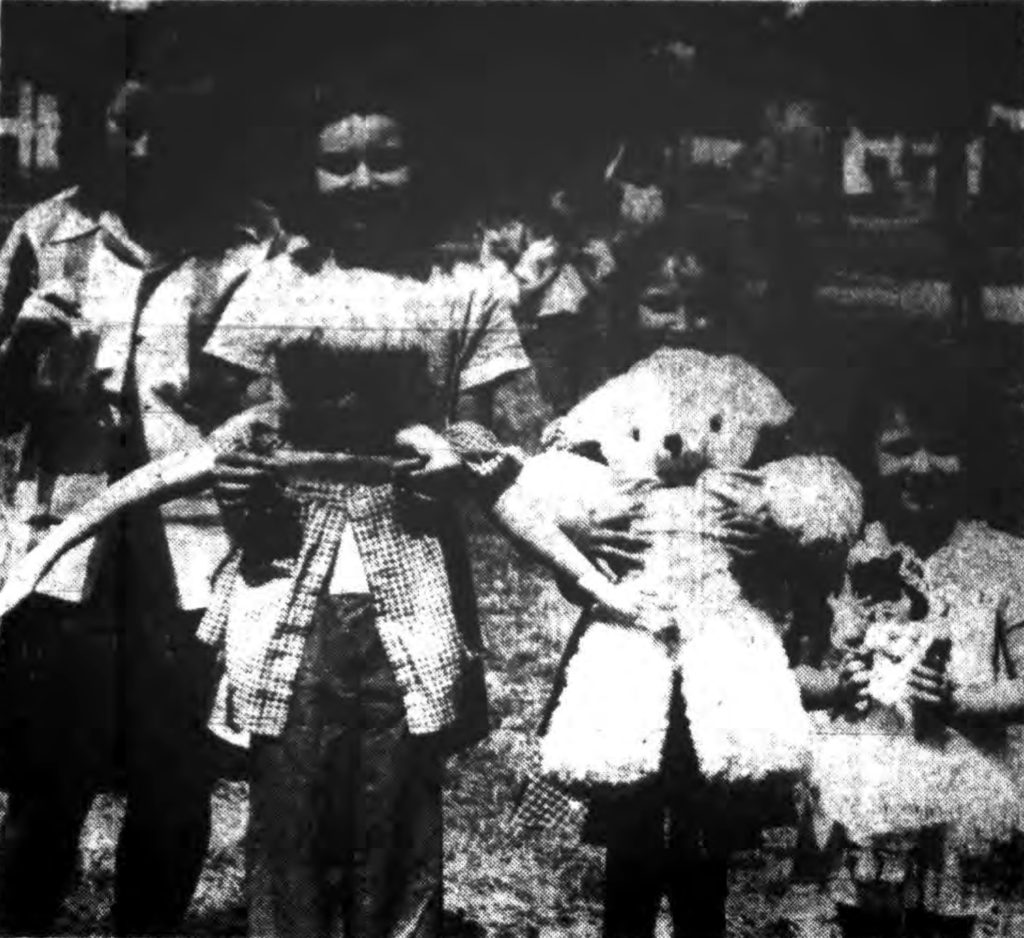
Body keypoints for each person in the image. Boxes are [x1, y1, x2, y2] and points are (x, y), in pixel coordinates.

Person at [199, 78, 646, 938]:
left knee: (399, 816)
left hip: (411, 576)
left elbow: (505, 435)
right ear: (306, 174)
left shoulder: (466, 290)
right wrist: (237, 471)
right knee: (289, 815)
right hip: (285, 569)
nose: (363, 181)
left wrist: (465, 459)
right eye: (339, 164)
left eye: (386, 159)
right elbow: (210, 409)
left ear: (424, 165)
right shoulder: (271, 287)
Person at [0, 76, 283, 935]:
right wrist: (23, 352)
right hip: (65, 542)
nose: (152, 150)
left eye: (175, 127)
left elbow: (279, 409)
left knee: (174, 771)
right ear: (97, 129)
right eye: (132, 128)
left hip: (192, 553)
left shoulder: (251, 250)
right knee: (47, 774)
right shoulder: (44, 235)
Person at [809, 339, 1024, 938]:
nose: (922, 467)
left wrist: (960, 702)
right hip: (865, 783)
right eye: (900, 448)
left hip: (964, 781)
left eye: (945, 449)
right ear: (866, 455)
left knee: (949, 923)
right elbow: (801, 667)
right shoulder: (840, 556)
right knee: (864, 923)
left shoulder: (1005, 562)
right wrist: (833, 683)